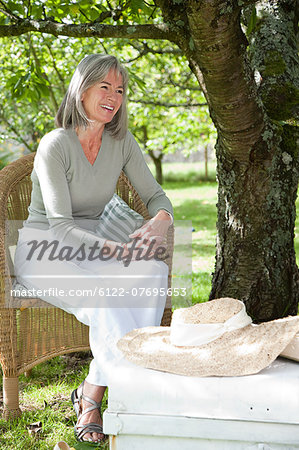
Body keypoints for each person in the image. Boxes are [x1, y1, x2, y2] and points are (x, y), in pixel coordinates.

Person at [14, 54, 173, 444]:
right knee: (105, 298)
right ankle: (127, 395)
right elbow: (61, 227)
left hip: (94, 251)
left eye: (119, 90)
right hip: (43, 251)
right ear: (81, 90)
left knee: (153, 272)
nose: (114, 97)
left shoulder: (121, 141)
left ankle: (92, 390)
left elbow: (155, 196)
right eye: (104, 87)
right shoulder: (56, 144)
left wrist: (160, 221)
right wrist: (116, 252)